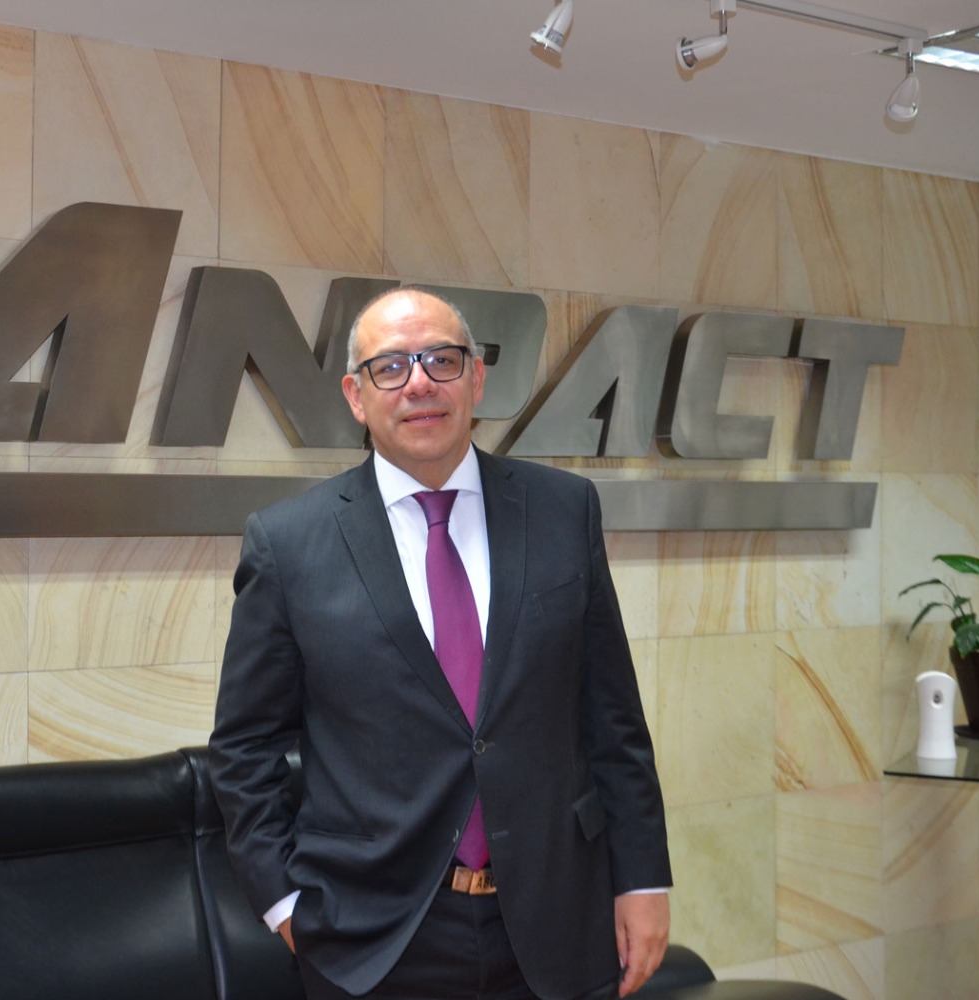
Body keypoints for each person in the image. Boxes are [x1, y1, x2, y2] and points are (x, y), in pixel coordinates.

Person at [209, 287, 671, 1000]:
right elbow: (245, 748)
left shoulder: (563, 509)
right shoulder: (288, 543)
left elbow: (613, 719)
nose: (419, 383)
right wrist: (286, 906)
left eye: (441, 360)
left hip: (559, 924)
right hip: (373, 941)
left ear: (476, 378)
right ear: (356, 396)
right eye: (391, 367)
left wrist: (641, 880)